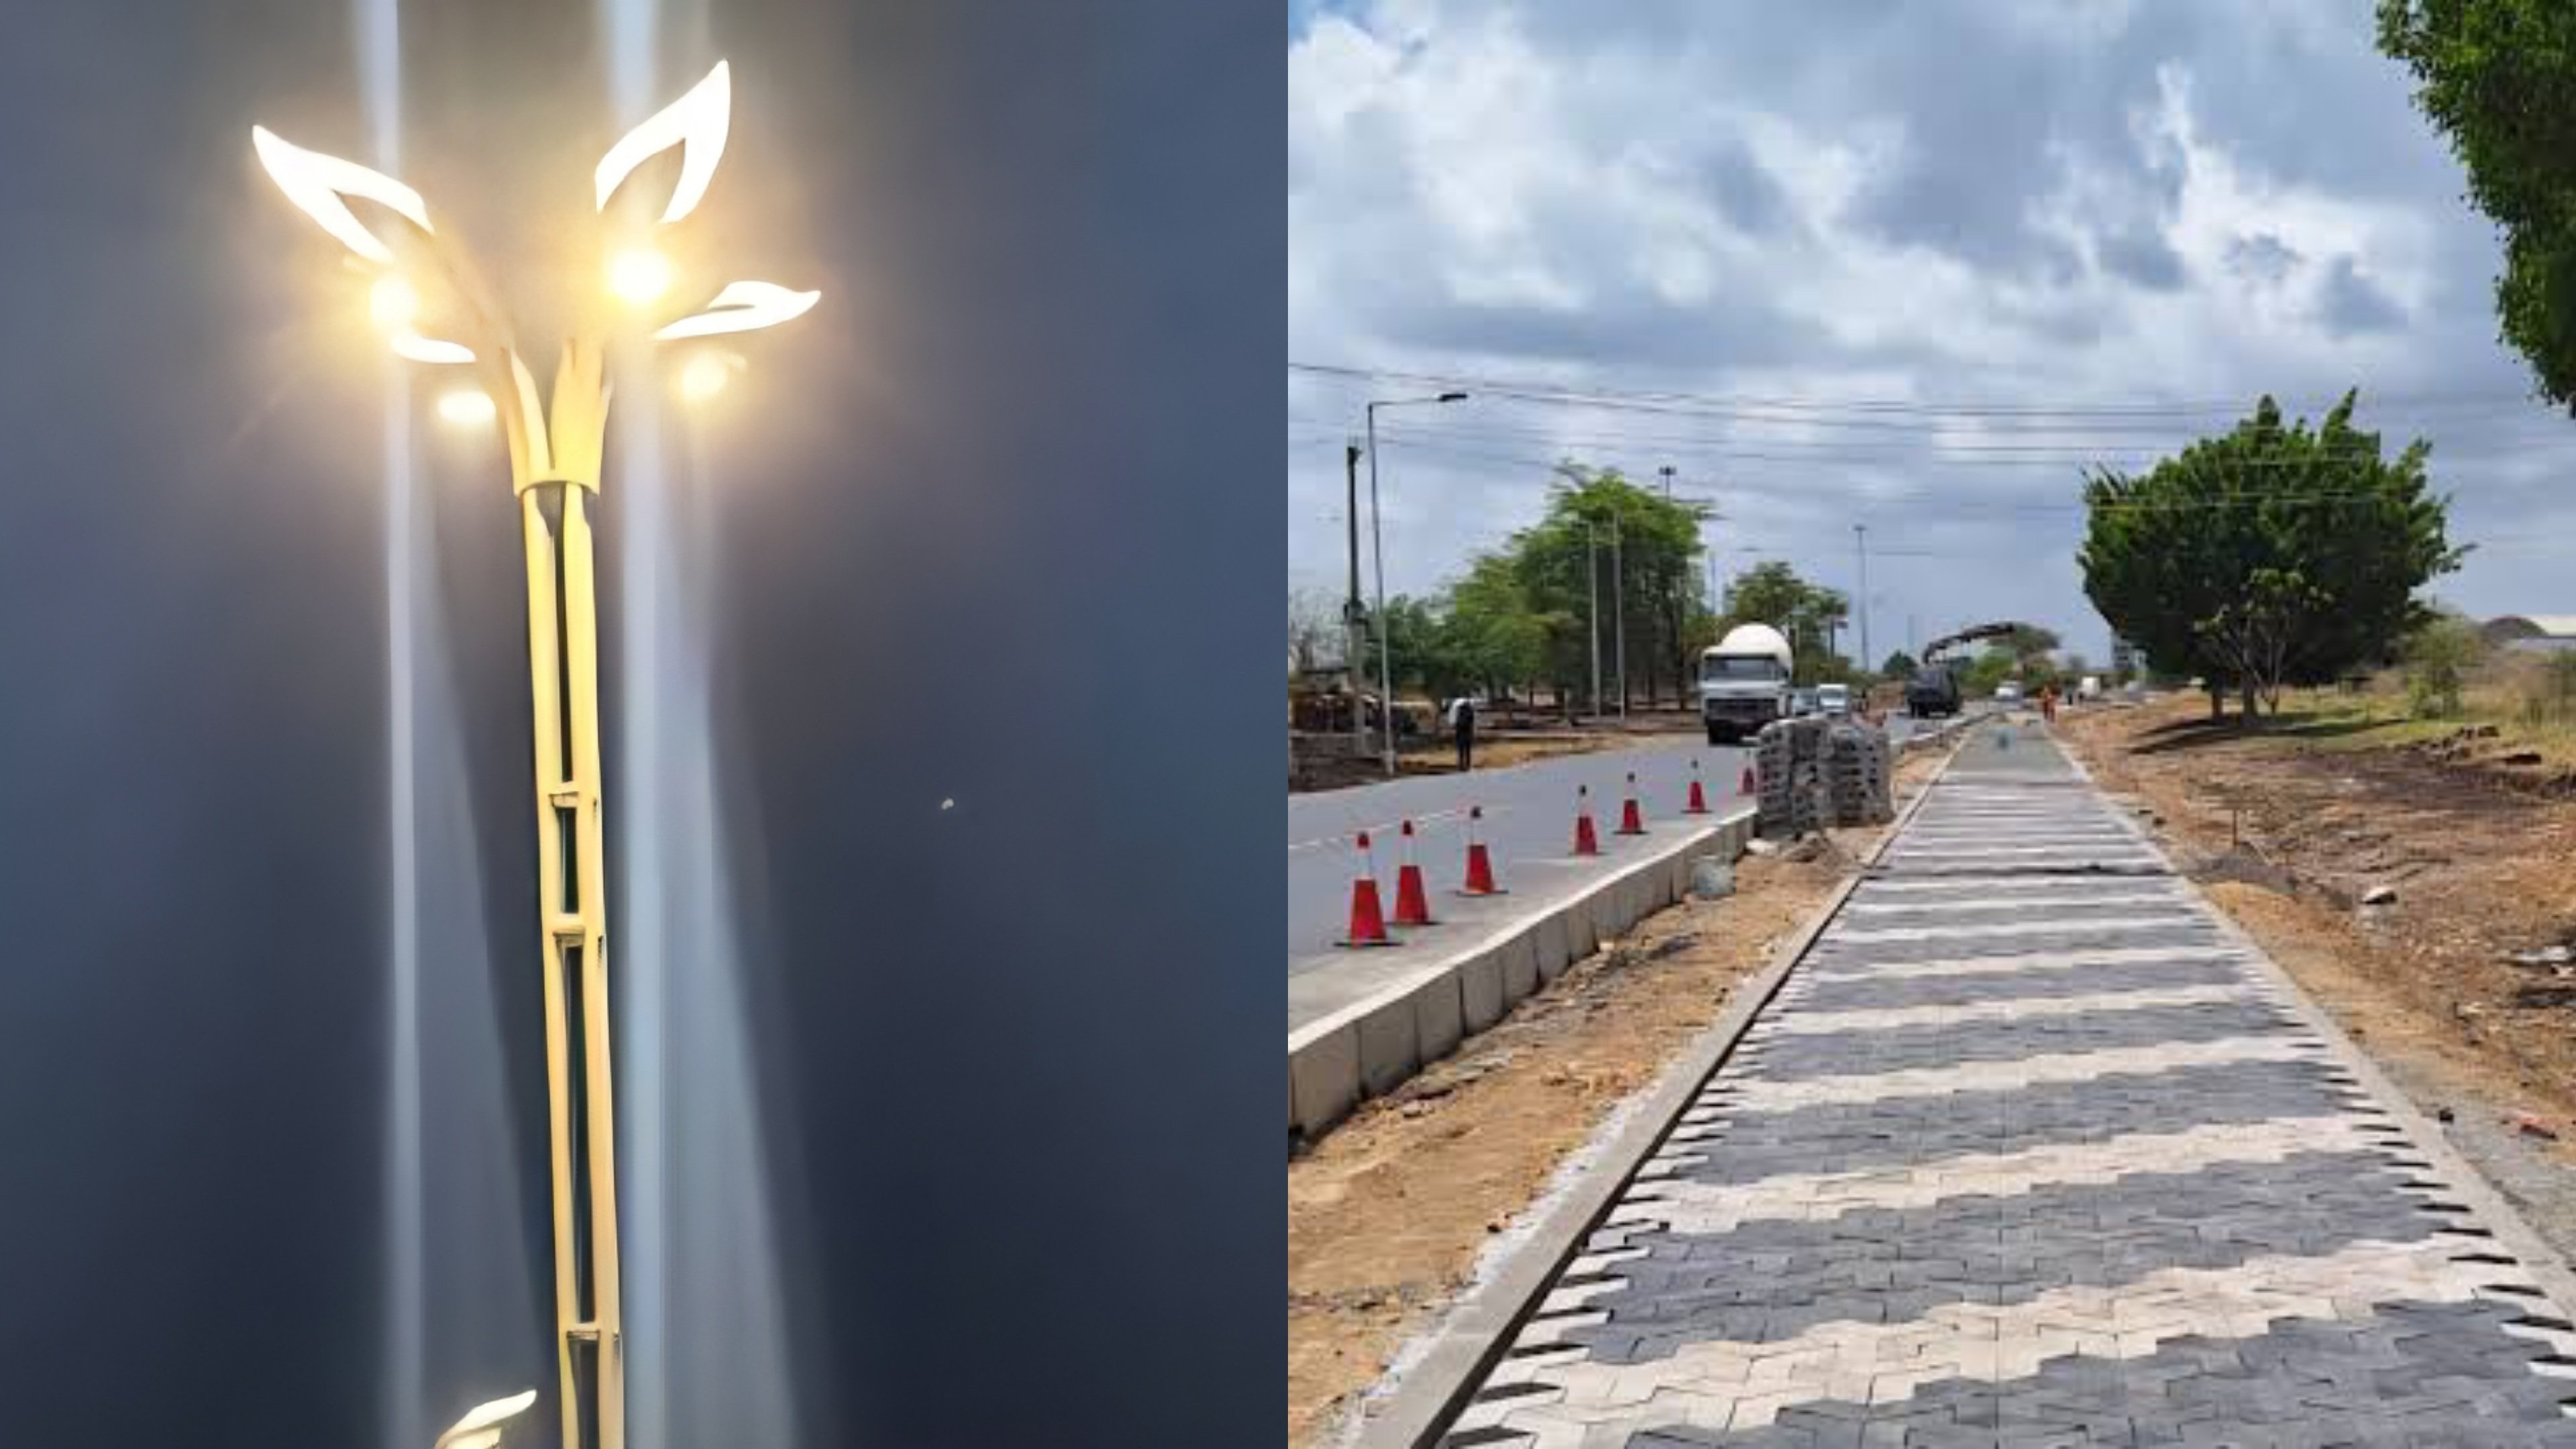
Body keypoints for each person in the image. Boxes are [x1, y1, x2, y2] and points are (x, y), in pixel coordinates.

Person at [1450, 694, 1477, 772]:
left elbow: (1457, 723)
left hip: (1461, 733)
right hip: (1467, 733)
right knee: (1467, 751)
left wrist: (1456, 725)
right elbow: (1471, 722)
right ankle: (1467, 765)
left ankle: (1462, 765)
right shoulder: (1470, 711)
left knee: (1462, 751)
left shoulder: (1460, 712)